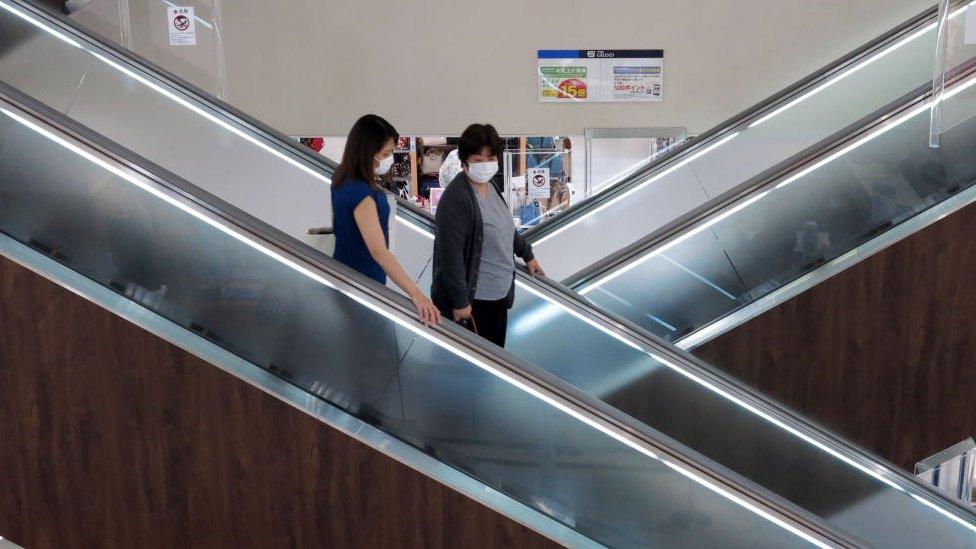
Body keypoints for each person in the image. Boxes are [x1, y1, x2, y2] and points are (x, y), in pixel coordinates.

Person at [431, 123, 545, 347]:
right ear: (464, 161)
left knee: (495, 359)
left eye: (491, 158)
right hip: (474, 303)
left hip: (499, 297)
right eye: (478, 159)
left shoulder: (490, 186)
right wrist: (460, 301)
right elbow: (450, 254)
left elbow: (505, 228)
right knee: (473, 368)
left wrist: (527, 254)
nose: (485, 165)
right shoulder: (456, 198)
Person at [331, 114, 440, 326]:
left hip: (349, 280)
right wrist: (416, 294)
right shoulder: (360, 193)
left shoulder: (342, 180)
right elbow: (378, 251)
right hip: (364, 287)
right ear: (367, 152)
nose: (389, 159)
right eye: (386, 153)